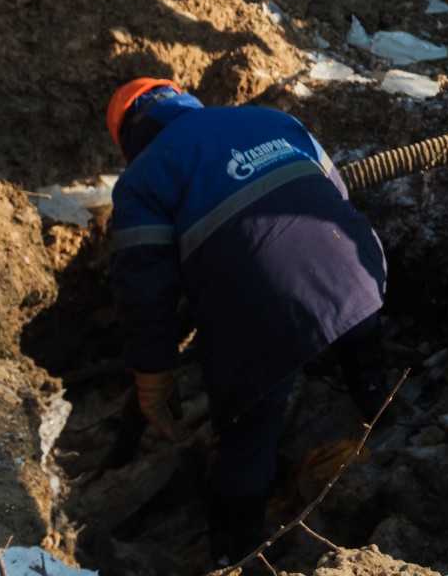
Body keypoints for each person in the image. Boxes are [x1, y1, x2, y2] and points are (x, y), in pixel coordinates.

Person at [105, 77, 389, 565]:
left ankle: (236, 552)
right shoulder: (274, 119)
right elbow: (337, 193)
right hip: (358, 269)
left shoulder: (143, 177)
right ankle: (382, 410)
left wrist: (152, 375)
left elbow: (144, 292)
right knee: (358, 331)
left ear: (128, 136)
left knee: (247, 433)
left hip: (261, 311)